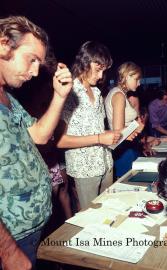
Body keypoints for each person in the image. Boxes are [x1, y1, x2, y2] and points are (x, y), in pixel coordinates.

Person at [0, 16, 73, 270]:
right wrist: (7, 252)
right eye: (31, 59)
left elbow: (39, 135)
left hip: (31, 231)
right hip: (10, 240)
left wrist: (60, 96)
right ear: (3, 45)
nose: (34, 72)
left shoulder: (7, 97)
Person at [56, 41, 121, 209]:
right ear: (85, 62)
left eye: (103, 71)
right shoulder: (69, 93)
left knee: (109, 212)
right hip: (85, 168)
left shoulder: (98, 93)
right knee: (90, 220)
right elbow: (60, 140)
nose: (101, 76)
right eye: (98, 69)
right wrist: (100, 137)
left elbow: (95, 130)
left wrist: (111, 135)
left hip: (105, 162)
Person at [105, 61, 144, 178]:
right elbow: (119, 131)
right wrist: (137, 127)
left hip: (126, 147)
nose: (139, 83)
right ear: (127, 76)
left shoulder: (120, 93)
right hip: (124, 150)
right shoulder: (119, 96)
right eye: (137, 79)